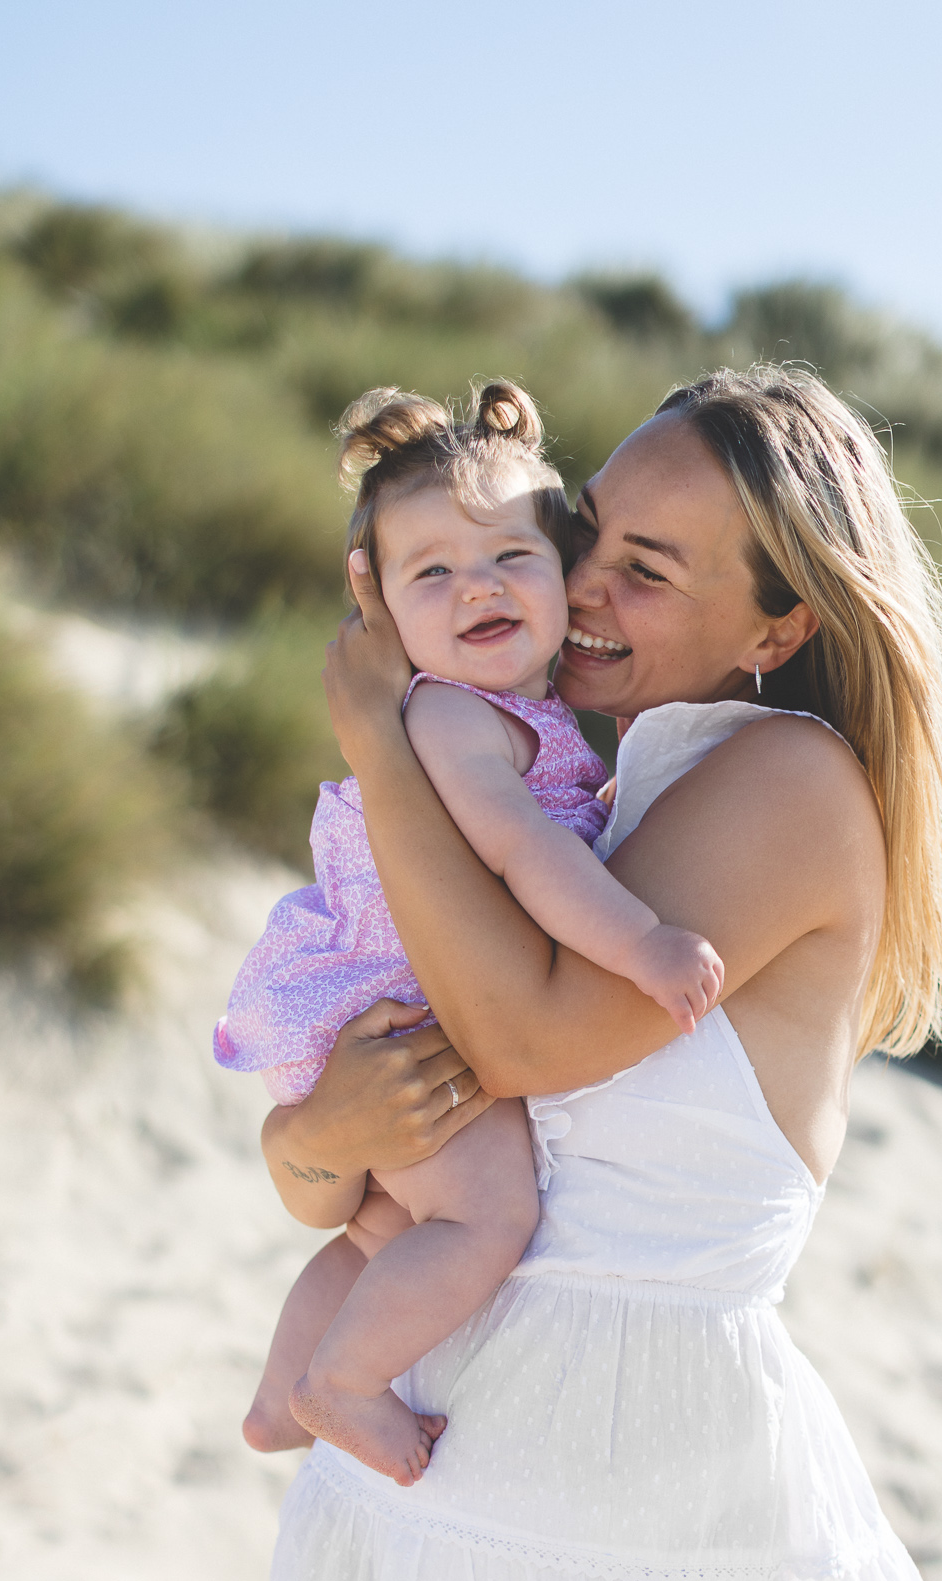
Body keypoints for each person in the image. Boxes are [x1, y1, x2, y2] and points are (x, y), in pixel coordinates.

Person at [260, 366, 942, 1581]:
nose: (588, 591)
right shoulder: (597, 785)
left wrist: (386, 746)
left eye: (655, 567)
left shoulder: (780, 783)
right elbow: (350, 1167)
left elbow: (531, 1040)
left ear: (779, 626)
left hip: (636, 1492)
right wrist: (313, 1135)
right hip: (445, 1463)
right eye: (590, 540)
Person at [217, 380, 720, 1485]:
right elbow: (528, 858)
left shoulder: (523, 716)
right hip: (403, 1003)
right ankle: (338, 1384)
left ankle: (275, 1394)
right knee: (488, 1213)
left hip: (388, 996)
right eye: (430, 571)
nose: (475, 586)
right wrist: (642, 944)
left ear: (564, 575)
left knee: (376, 1230)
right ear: (381, 611)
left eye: (509, 557)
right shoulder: (454, 716)